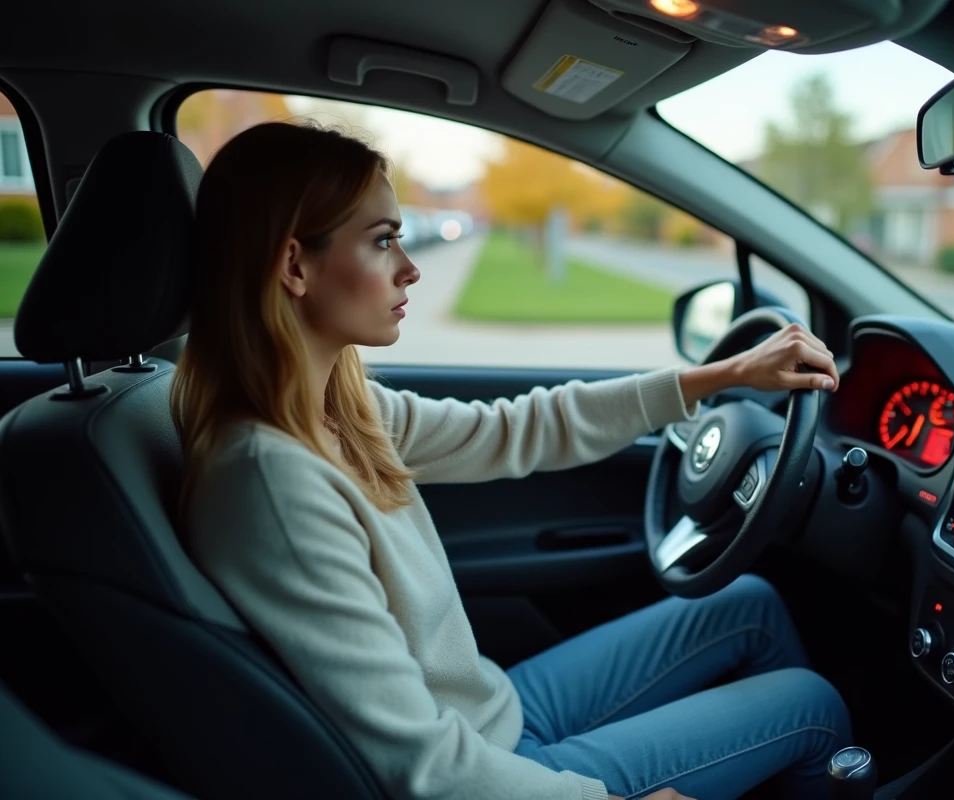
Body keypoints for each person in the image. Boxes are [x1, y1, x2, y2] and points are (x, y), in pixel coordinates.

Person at [172, 122, 851, 800]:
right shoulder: (272, 481)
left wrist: (721, 375)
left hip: (494, 711)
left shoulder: (342, 412)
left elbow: (521, 426)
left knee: (749, 603)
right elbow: (426, 771)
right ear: (294, 266)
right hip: (483, 765)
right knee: (812, 705)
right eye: (382, 242)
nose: (410, 267)